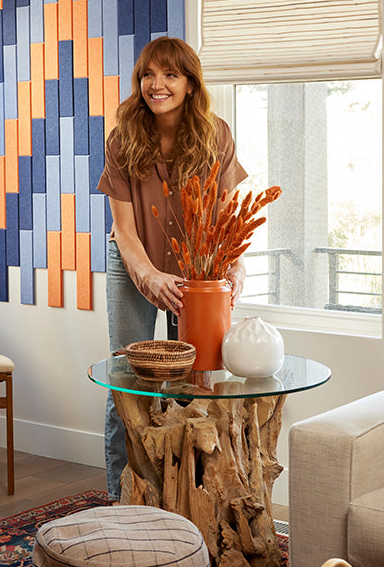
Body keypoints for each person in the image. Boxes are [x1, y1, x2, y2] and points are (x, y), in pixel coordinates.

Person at [96, 36, 247, 502]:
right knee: (127, 384)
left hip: (197, 272)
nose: (155, 85)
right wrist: (148, 276)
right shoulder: (122, 137)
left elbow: (225, 216)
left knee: (195, 383)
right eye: (147, 74)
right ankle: (121, 501)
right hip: (132, 264)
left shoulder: (216, 134)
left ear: (189, 83)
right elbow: (124, 229)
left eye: (169, 75)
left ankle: (190, 499)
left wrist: (233, 266)